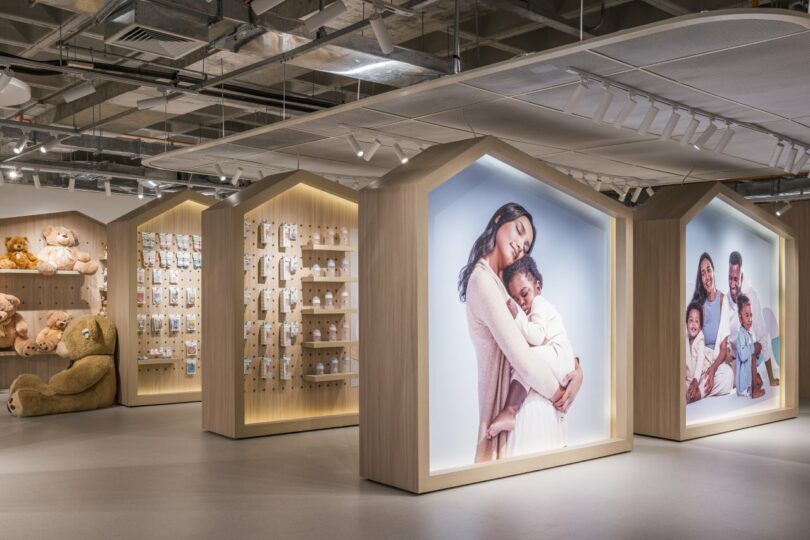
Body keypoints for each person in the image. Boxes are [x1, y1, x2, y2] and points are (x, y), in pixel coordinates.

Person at [458, 202, 583, 462]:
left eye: (526, 246)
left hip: (536, 406)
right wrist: (562, 394)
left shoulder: (503, 286)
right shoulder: (483, 282)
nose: (520, 245)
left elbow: (545, 339)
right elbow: (525, 361)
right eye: (518, 230)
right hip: (523, 412)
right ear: (498, 220)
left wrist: (576, 370)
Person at [485, 256, 575, 443]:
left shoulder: (540, 303)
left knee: (524, 359)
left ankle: (509, 410)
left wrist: (517, 316)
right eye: (516, 300)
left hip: (559, 355)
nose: (522, 303)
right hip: (558, 360)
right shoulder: (535, 309)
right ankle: (510, 411)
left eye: (524, 294)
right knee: (525, 360)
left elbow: (537, 336)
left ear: (538, 288)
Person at [725, 251, 779, 386]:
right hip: (730, 361)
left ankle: (754, 378)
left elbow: (762, 334)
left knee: (757, 382)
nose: (732, 284)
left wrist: (771, 379)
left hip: (747, 357)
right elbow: (723, 339)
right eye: (729, 278)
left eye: (735, 279)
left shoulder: (752, 297)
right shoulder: (725, 301)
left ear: (741, 277)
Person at [689, 253, 733, 399]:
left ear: (714, 271)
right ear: (701, 280)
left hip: (715, 360)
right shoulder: (699, 303)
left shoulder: (723, 301)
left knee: (728, 375)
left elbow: (722, 349)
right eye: (703, 274)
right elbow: (693, 343)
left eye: (708, 270)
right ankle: (694, 386)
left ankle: (699, 393)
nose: (707, 277)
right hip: (699, 357)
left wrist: (713, 369)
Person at [735, 294, 766, 399]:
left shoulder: (747, 334)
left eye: (751, 315)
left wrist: (756, 353)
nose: (750, 319)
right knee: (752, 354)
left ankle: (755, 384)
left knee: (760, 381)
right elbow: (743, 355)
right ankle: (754, 390)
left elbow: (750, 353)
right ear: (740, 318)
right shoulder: (740, 334)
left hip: (747, 376)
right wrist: (753, 349)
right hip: (743, 384)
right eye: (746, 315)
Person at [685, 302, 713, 404]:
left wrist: (696, 380)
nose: (693, 324)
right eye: (691, 320)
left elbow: (700, 361)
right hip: (689, 379)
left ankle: (698, 394)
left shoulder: (700, 338)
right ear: (686, 323)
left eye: (697, 321)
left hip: (701, 373)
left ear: (700, 326)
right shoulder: (685, 340)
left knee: (708, 379)